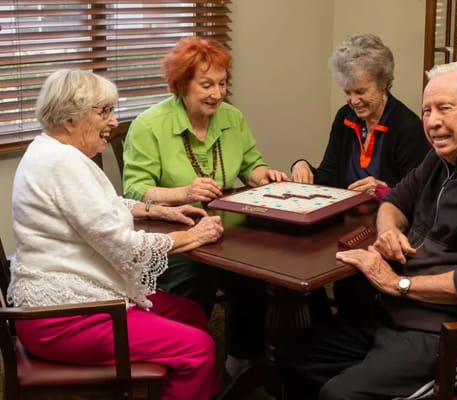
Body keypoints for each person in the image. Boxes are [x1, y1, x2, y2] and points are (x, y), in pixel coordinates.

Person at [283, 61, 457, 399]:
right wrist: (388, 230)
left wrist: (397, 283)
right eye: (427, 111)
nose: (432, 122)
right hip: (404, 316)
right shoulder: (441, 159)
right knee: (294, 356)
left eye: (444, 109)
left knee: (342, 395)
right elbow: (394, 200)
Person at [8, 69, 224, 400]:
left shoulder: (51, 151)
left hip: (62, 303)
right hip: (63, 318)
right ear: (70, 119)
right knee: (200, 349)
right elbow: (123, 245)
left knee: (189, 313)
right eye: (104, 111)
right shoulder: (61, 163)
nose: (113, 122)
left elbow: (101, 206)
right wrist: (192, 237)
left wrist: (157, 210)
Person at [122, 36, 288, 376]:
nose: (217, 93)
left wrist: (264, 175)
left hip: (227, 228)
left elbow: (251, 164)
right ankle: (186, 360)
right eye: (207, 84)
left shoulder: (232, 118)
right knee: (196, 276)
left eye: (223, 83)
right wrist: (183, 192)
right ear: (182, 84)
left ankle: (243, 359)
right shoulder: (149, 125)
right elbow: (133, 190)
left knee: (258, 272)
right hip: (174, 232)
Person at [291, 33, 428, 199]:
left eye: (360, 91)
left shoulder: (408, 127)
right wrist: (302, 166)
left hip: (386, 218)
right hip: (345, 216)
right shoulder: (345, 117)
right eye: (347, 92)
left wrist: (384, 190)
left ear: (383, 83)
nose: (354, 101)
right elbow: (329, 175)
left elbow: (418, 195)